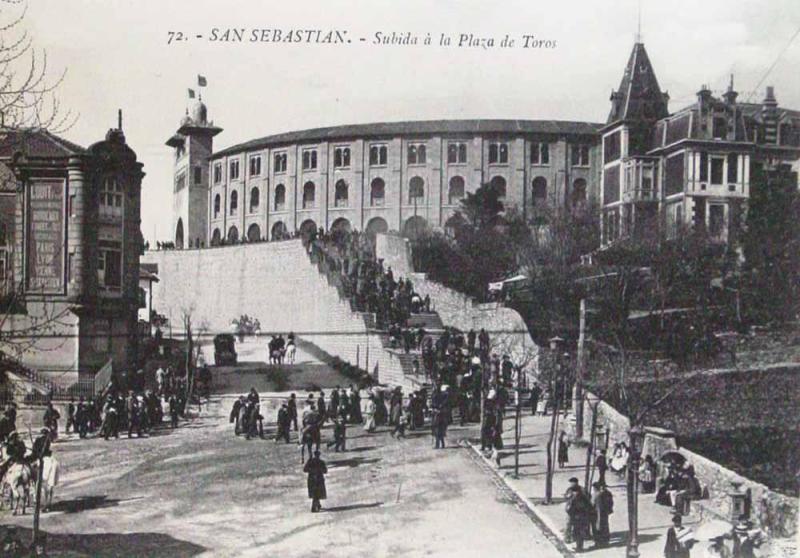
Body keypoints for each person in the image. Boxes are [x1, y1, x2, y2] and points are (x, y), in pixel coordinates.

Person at [564, 477, 592, 553]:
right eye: (571, 482)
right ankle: (568, 538)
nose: (571, 484)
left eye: (573, 482)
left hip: (580, 513)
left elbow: (588, 499)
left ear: (576, 482)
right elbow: (566, 497)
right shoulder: (569, 490)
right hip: (571, 512)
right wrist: (569, 497)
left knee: (579, 529)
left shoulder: (582, 490)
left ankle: (579, 546)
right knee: (569, 525)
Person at [591, 481, 613, 548]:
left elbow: (592, 504)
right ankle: (605, 542)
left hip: (596, 514)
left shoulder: (596, 495)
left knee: (597, 528)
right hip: (604, 513)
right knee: (605, 526)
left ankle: (598, 543)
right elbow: (611, 503)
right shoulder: (606, 493)